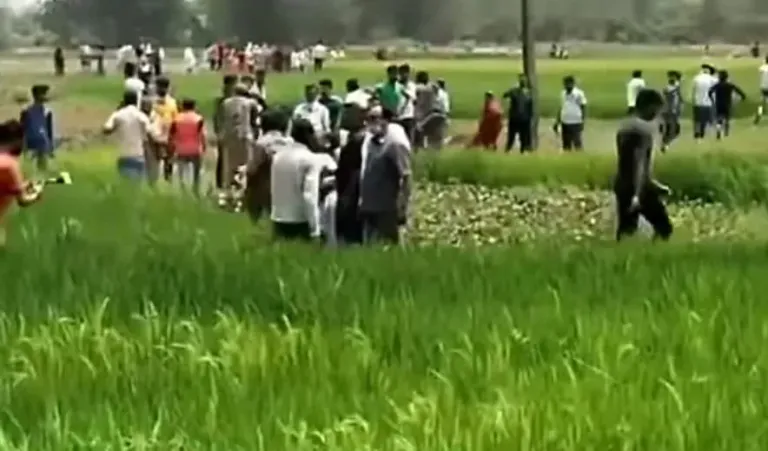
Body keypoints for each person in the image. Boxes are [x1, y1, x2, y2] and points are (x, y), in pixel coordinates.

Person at [614, 88, 672, 241]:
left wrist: (655, 184)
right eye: (657, 109)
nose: (657, 114)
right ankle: (655, 253)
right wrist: (637, 194)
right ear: (649, 106)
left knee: (626, 230)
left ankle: (622, 253)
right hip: (639, 188)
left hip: (622, 185)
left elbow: (628, 163)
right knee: (664, 227)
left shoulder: (624, 126)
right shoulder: (643, 130)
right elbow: (638, 163)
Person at [359, 107, 412, 245]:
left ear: (385, 120)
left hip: (387, 208)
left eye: (374, 118)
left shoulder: (395, 144)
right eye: (368, 119)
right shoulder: (371, 143)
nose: (369, 123)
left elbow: (406, 177)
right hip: (369, 206)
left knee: (389, 245)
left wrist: (402, 207)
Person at [270, 119, 324, 241]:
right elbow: (310, 196)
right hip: (300, 221)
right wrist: (315, 229)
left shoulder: (278, 156)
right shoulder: (310, 159)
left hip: (278, 218)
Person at [244, 108, 293, 223]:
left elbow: (252, 169)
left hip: (265, 188)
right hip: (287, 187)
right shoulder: (290, 142)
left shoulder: (261, 144)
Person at [0, 120, 44, 247]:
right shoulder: (10, 165)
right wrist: (37, 192)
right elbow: (23, 200)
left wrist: (24, 185)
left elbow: (6, 188)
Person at [220, 83, 260, 198]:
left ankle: (228, 191)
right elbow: (254, 121)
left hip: (229, 136)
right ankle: (244, 190)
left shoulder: (225, 103)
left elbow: (221, 120)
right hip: (245, 136)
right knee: (245, 164)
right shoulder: (251, 103)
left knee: (229, 165)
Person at [335, 104, 367, 244]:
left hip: (352, 190)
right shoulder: (355, 138)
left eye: (347, 115)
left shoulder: (358, 140)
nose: (343, 118)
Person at [103, 91, 152, 180]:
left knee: (125, 183)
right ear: (136, 101)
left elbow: (106, 130)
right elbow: (150, 132)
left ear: (124, 101)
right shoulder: (141, 115)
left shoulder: (118, 115)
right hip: (138, 154)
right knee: (137, 184)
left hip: (124, 154)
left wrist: (117, 112)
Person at [169, 99, 206, 195]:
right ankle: (195, 190)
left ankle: (183, 190)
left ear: (183, 106)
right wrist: (204, 146)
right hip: (195, 149)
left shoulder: (176, 119)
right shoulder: (198, 119)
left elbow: (172, 135)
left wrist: (171, 148)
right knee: (196, 172)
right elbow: (202, 135)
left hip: (181, 149)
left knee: (181, 172)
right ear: (194, 107)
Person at [149, 76, 178, 182]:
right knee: (156, 160)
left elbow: (175, 119)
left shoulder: (171, 102)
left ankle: (166, 179)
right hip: (155, 135)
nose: (161, 89)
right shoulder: (153, 102)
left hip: (167, 135)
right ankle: (157, 180)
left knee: (167, 160)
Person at [20, 84, 54, 173]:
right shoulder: (26, 111)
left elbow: (49, 130)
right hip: (30, 141)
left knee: (42, 168)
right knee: (29, 167)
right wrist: (23, 145)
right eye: (42, 94)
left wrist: (51, 146)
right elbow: (22, 129)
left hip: (42, 142)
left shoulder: (47, 112)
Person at [213, 74, 238, 192]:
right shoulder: (223, 100)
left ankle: (230, 180)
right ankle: (221, 182)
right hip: (225, 132)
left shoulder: (229, 98)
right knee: (223, 158)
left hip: (231, 131)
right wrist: (219, 132)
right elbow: (217, 118)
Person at [708, 70, 746, 140]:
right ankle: (726, 132)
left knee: (719, 118)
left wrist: (712, 100)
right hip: (727, 104)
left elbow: (710, 92)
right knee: (727, 118)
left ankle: (718, 131)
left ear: (719, 77)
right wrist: (742, 98)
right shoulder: (730, 85)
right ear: (727, 77)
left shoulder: (717, 85)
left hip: (719, 104)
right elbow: (740, 92)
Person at [413, 71, 446, 150]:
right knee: (434, 136)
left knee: (419, 131)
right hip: (435, 113)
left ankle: (420, 147)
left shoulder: (418, 88)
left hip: (423, 115)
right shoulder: (433, 87)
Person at [553, 75, 587, 151]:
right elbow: (561, 108)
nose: (566, 86)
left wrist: (583, 121)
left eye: (568, 84)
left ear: (572, 84)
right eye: (565, 84)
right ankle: (568, 155)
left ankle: (579, 155)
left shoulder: (579, 94)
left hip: (576, 122)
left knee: (577, 142)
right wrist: (557, 121)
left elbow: (583, 107)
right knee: (566, 143)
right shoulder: (563, 93)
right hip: (565, 122)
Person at [502, 74, 533, 152]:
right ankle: (508, 150)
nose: (523, 81)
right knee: (511, 137)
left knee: (523, 137)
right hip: (515, 118)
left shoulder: (528, 93)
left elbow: (530, 107)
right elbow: (505, 95)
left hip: (524, 119)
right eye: (522, 80)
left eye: (524, 80)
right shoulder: (515, 91)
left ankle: (522, 151)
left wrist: (530, 117)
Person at [691, 64, 717, 140]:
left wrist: (693, 100)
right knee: (706, 120)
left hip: (698, 102)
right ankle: (702, 134)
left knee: (697, 120)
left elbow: (694, 90)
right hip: (708, 102)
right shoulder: (713, 79)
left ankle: (697, 134)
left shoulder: (696, 78)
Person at [660, 70, 683, 152]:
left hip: (665, 111)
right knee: (674, 130)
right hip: (672, 112)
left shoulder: (666, 89)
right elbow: (678, 100)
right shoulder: (675, 90)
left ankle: (665, 143)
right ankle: (666, 144)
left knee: (668, 129)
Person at [397, 64, 416, 143]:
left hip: (408, 115)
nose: (403, 75)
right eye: (401, 73)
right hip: (397, 115)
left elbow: (411, 97)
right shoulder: (396, 84)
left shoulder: (411, 85)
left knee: (408, 139)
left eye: (405, 73)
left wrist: (402, 90)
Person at [754, 56, 768, 124]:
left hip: (763, 87)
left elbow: (761, 70)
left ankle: (758, 115)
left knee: (762, 103)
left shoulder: (763, 67)